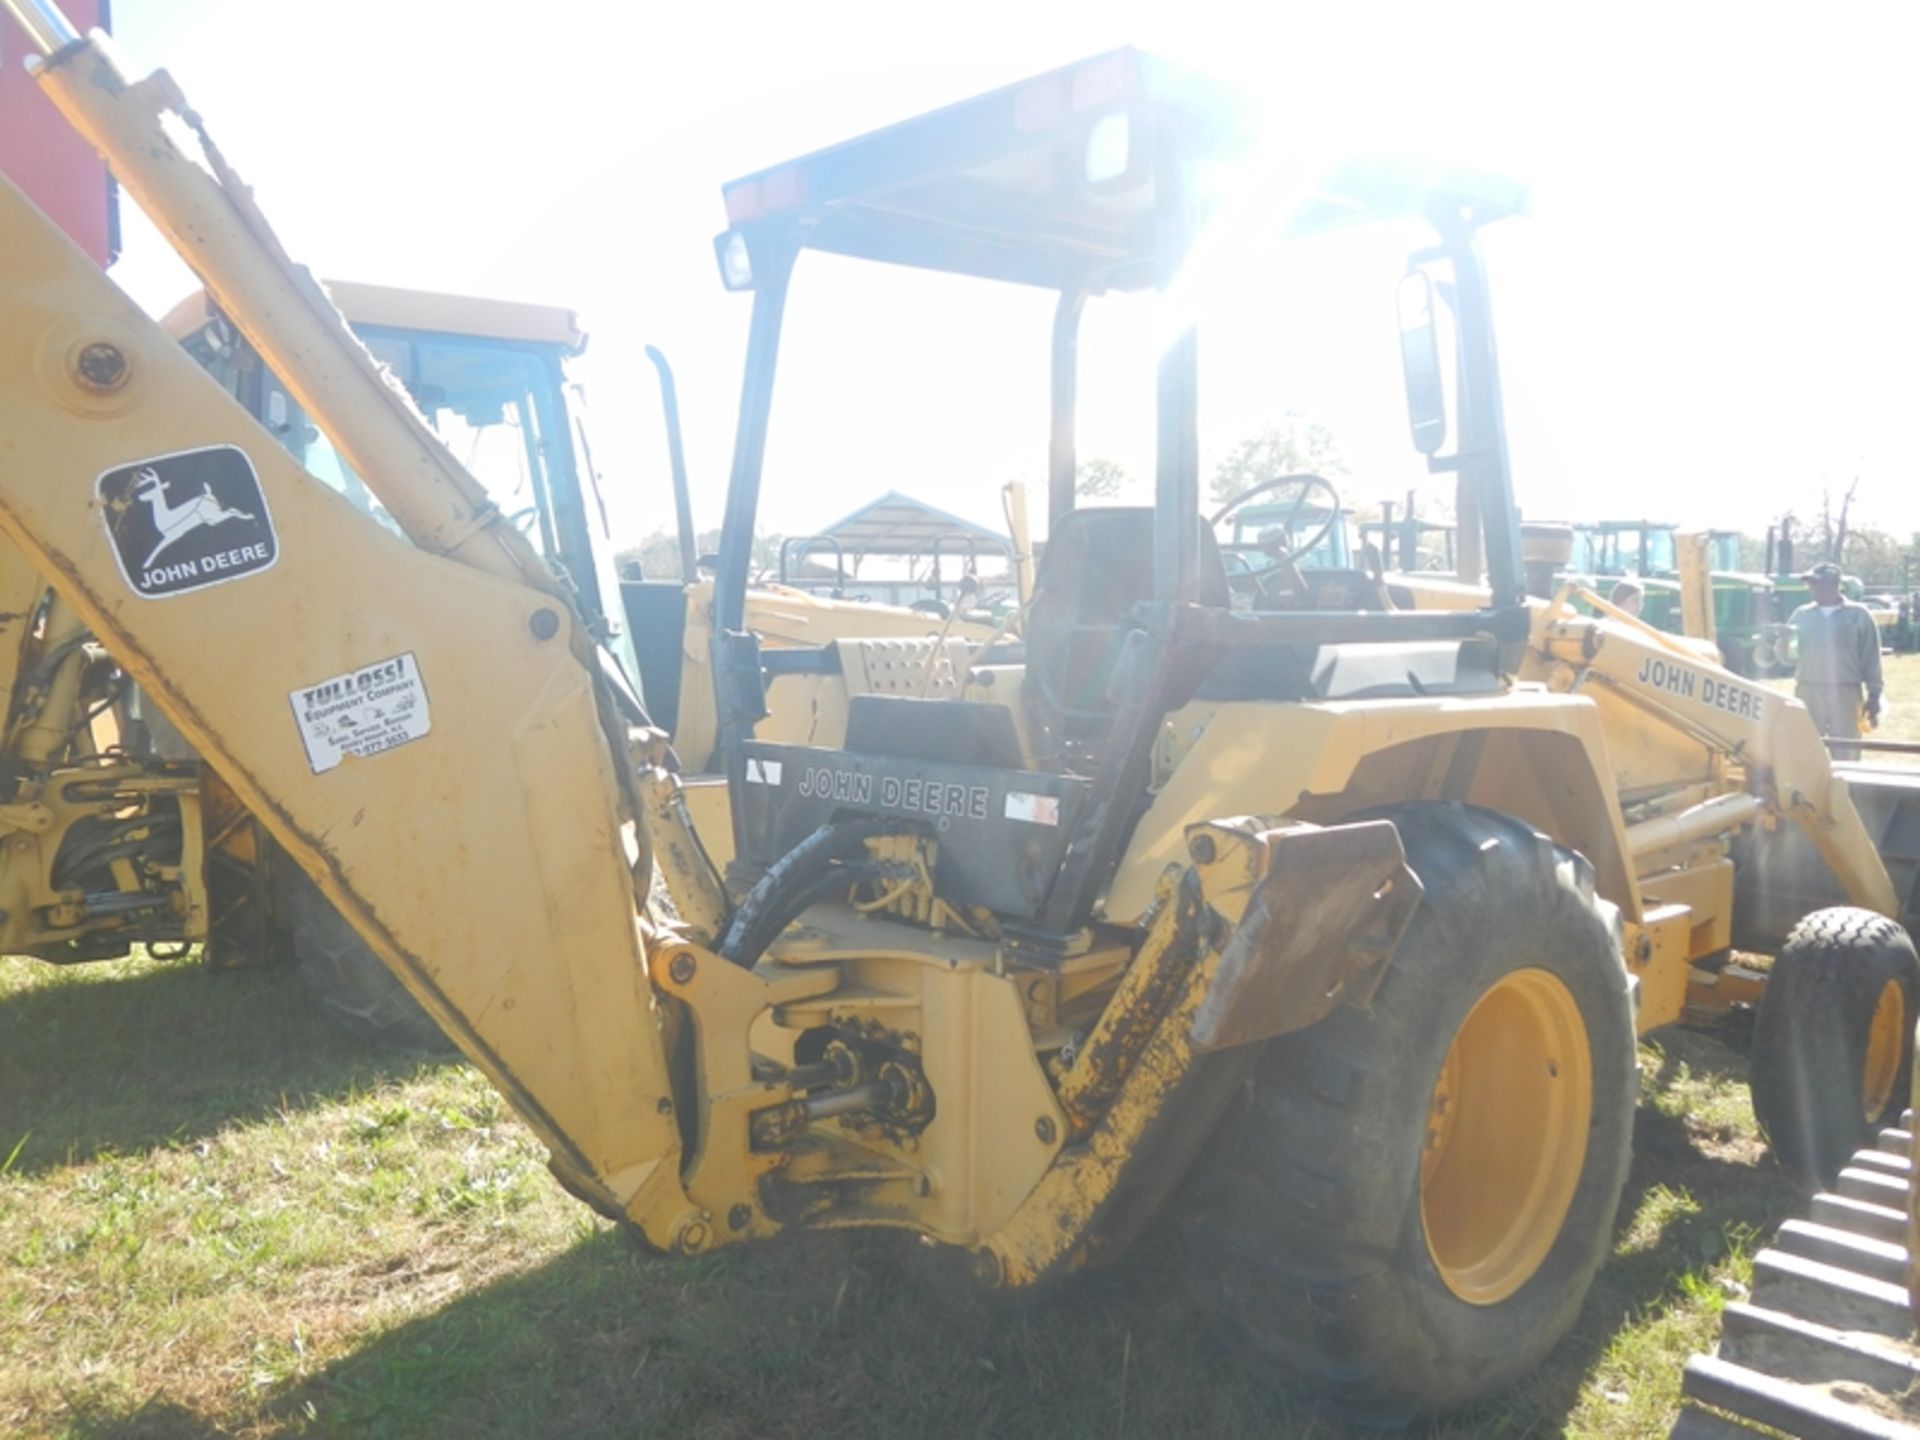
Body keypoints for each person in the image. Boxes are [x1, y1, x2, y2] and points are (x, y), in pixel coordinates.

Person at [1790, 561, 1883, 759]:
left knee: (1847, 750)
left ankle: (1847, 789)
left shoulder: (1859, 615)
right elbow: (1788, 657)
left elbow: (1871, 657)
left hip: (1846, 691)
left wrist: (1874, 695)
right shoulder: (1801, 615)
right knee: (1804, 749)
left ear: (1834, 584)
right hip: (1809, 689)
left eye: (1817, 583)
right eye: (1810, 584)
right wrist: (1780, 642)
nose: (1812, 588)